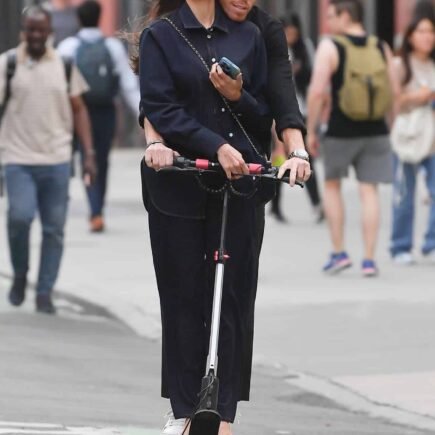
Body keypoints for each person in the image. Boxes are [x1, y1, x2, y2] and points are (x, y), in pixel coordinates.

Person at [136, 0, 311, 434]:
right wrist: (212, 144)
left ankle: (224, 414)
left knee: (232, 301)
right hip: (179, 185)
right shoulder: (161, 35)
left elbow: (266, 111)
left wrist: (243, 101)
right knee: (183, 299)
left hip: (240, 185)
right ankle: (183, 412)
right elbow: (159, 105)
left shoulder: (252, 35)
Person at [0, 6, 96, 313]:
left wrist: (89, 155)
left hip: (56, 160)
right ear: (24, 31)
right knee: (20, 218)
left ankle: (44, 292)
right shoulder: (9, 64)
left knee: (54, 229)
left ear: (50, 31)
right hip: (17, 158)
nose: (37, 35)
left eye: (42, 30)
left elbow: (79, 109)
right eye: (32, 30)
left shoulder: (65, 65)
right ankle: (20, 275)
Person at [307, 0, 399, 277]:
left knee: (333, 186)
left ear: (346, 15)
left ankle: (339, 252)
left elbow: (316, 92)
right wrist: (389, 125)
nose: (330, 23)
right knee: (369, 191)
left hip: (340, 130)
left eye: (332, 16)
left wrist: (310, 129)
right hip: (376, 130)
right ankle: (369, 259)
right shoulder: (381, 47)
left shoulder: (330, 47)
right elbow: (393, 93)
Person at [58, 0, 140, 232]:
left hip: (74, 111)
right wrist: (143, 115)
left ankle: (61, 203)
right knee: (99, 160)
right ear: (99, 17)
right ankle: (96, 211)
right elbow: (128, 85)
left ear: (78, 19)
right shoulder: (113, 47)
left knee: (73, 157)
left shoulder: (67, 47)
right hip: (104, 112)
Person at [269, 13, 323, 223]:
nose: (290, 36)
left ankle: (317, 204)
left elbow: (314, 83)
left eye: (293, 33)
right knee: (277, 160)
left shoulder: (305, 48)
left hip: (301, 113)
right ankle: (275, 206)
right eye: (287, 32)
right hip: (277, 114)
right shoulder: (273, 46)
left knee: (305, 160)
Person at [390, 15, 435, 265]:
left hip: (433, 139)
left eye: (431, 32)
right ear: (410, 36)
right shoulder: (399, 64)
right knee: (405, 195)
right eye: (422, 32)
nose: (428, 37)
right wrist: (421, 96)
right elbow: (394, 102)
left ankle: (431, 241)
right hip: (407, 138)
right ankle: (400, 246)